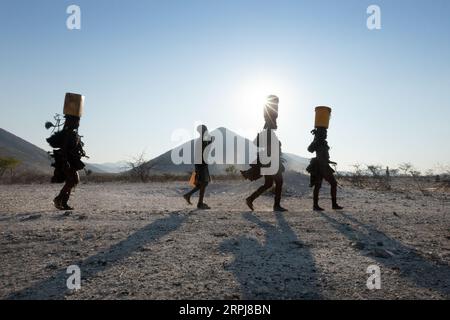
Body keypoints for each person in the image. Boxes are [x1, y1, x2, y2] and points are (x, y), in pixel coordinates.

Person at [243, 95, 288, 212]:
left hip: (268, 162)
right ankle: (276, 206)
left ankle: (250, 199)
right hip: (271, 163)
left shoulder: (268, 133)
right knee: (279, 182)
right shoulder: (268, 133)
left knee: (268, 184)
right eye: (275, 121)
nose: (276, 123)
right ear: (271, 122)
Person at [51, 115, 86, 210]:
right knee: (71, 181)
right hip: (67, 161)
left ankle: (63, 202)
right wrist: (65, 161)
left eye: (78, 121)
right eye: (76, 121)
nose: (77, 123)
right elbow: (64, 149)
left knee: (74, 181)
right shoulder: (67, 134)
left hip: (72, 161)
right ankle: (59, 200)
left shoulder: (73, 134)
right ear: (71, 122)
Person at [306, 127, 343, 211]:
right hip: (319, 166)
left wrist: (329, 161)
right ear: (320, 134)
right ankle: (316, 205)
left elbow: (324, 155)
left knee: (332, 184)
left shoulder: (324, 142)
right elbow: (310, 149)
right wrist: (315, 138)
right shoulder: (317, 141)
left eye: (326, 133)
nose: (326, 135)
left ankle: (333, 204)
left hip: (325, 166)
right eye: (324, 133)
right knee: (318, 185)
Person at [183, 125, 214, 210]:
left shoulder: (201, 140)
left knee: (203, 183)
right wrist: (210, 142)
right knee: (204, 182)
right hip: (201, 164)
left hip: (201, 164)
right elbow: (206, 150)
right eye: (205, 129)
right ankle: (199, 203)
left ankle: (188, 195)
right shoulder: (202, 140)